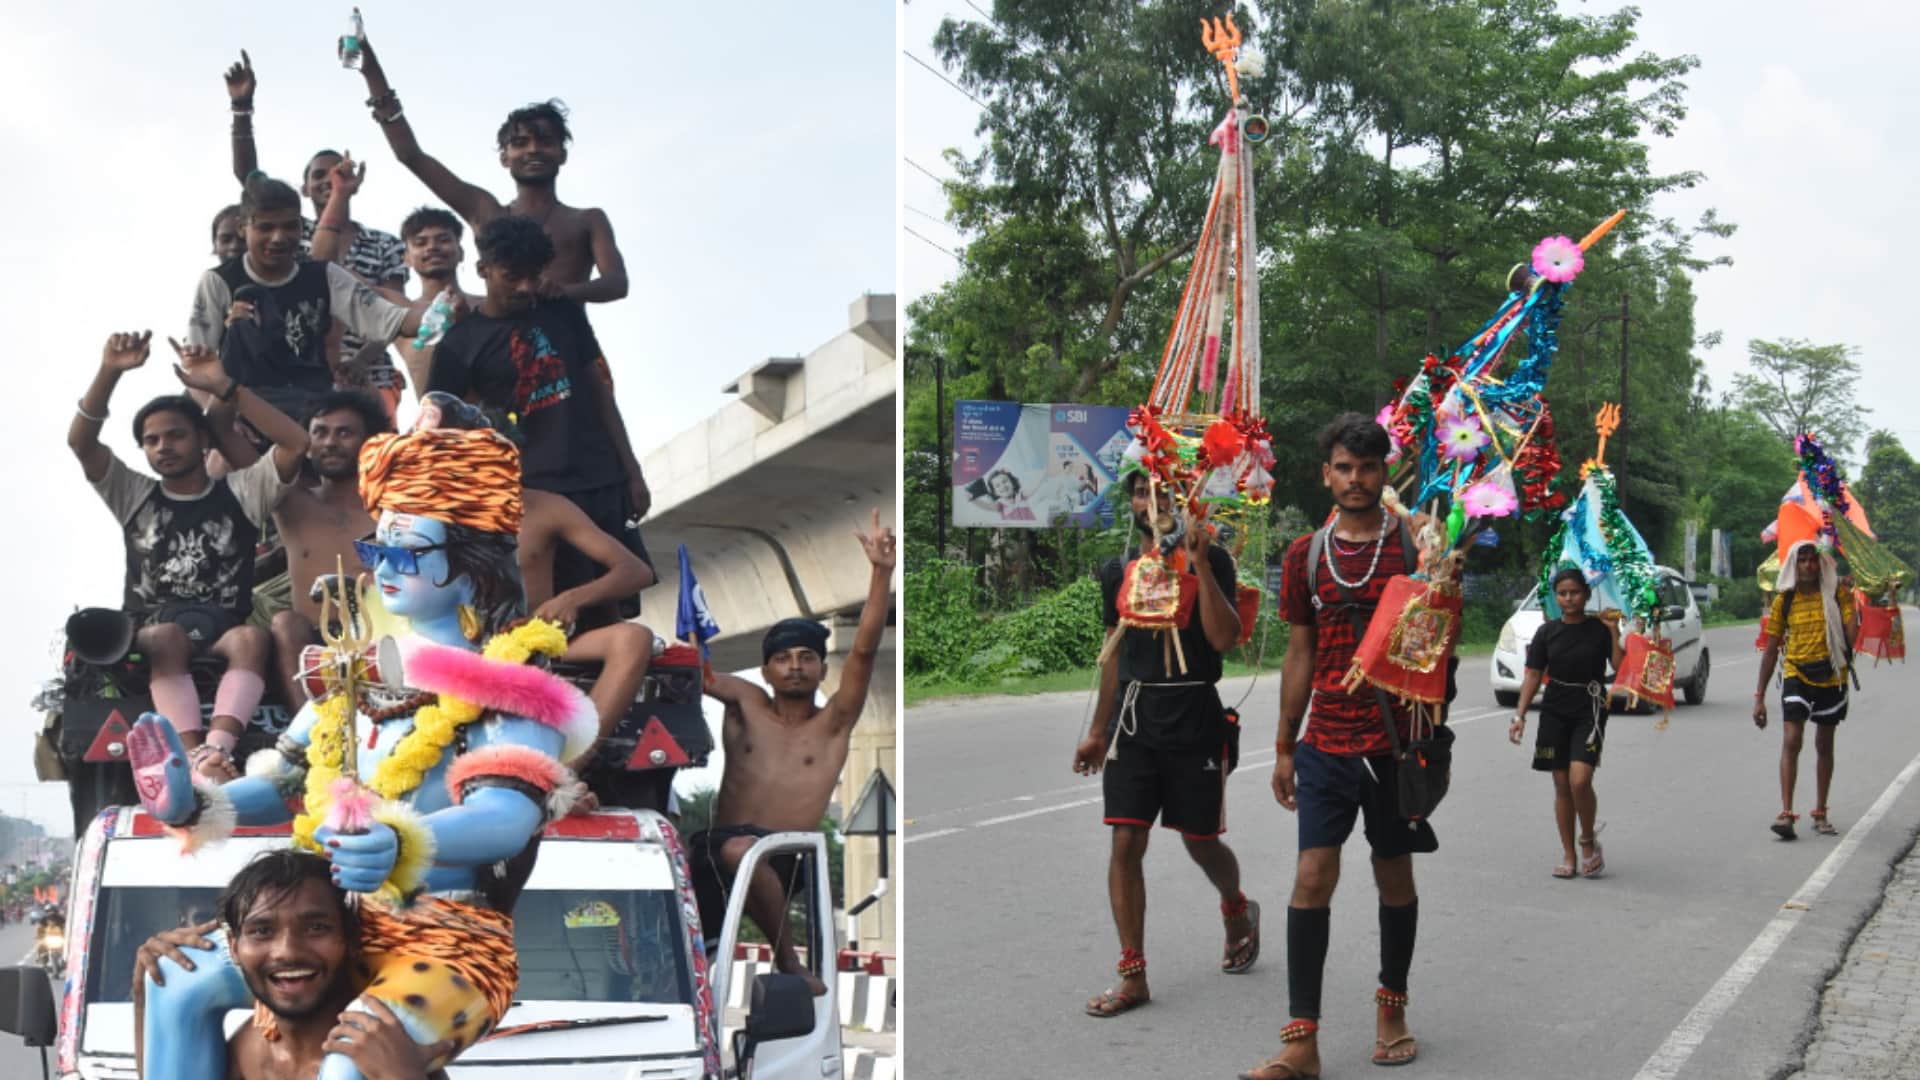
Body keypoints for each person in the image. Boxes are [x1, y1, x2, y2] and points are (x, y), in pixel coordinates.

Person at [126, 419, 598, 1080]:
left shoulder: (513, 689)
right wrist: (194, 803)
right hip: (324, 924)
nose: (387, 568)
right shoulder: (353, 677)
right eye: (382, 549)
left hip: (449, 938)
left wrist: (403, 841)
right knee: (174, 981)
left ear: (471, 570)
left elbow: (507, 817)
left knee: (353, 1061)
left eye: (412, 552)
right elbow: (286, 782)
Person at [1247, 414, 1429, 1078]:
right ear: (1326, 473)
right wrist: (1284, 745)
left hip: (1394, 746)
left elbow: (1436, 636)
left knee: (1394, 875)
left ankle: (1392, 1006)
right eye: (1345, 468)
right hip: (1325, 742)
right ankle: (1302, 1041)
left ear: (1387, 472)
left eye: (1369, 467)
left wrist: (1444, 578)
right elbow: (1299, 651)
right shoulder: (1304, 555)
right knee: (1310, 880)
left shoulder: (1415, 544)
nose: (1357, 480)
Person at [70, 331, 310, 761]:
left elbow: (296, 444)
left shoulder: (242, 492)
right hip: (154, 630)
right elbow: (81, 443)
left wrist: (226, 387)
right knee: (166, 637)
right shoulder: (133, 494)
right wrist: (108, 371)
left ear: (203, 441)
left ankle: (216, 752)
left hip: (223, 629)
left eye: (176, 435)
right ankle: (190, 756)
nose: (164, 447)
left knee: (251, 639)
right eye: (152, 440)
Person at [1070, 468, 1254, 1019]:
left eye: (1162, 491)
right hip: (1133, 720)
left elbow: (1224, 639)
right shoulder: (1119, 569)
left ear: (1186, 501)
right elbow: (1113, 654)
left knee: (1200, 840)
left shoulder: (1213, 559)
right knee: (1126, 842)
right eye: (1141, 491)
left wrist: (1198, 561)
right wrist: (1098, 730)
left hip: (1194, 714)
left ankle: (1236, 906)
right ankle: (1133, 973)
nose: (1149, 501)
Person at [693, 510, 895, 993]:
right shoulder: (744, 702)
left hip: (782, 852)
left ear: (824, 671)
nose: (796, 667)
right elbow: (695, 674)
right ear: (765, 671)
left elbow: (864, 652)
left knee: (745, 849)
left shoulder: (833, 724)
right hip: (720, 847)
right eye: (782, 659)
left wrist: (881, 573)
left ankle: (788, 961)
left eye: (807, 658)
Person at [425, 214, 653, 629]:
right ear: (483, 271)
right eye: (513, 276)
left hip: (597, 478)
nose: (526, 288)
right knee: (545, 618)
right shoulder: (459, 343)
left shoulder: (562, 312)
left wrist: (631, 470)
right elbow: (443, 426)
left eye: (534, 276)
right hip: (532, 495)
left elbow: (597, 388)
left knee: (606, 610)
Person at [415, 389, 655, 774]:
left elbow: (636, 571)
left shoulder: (547, 507)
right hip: (454, 648)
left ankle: (565, 771)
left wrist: (574, 598)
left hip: (534, 644)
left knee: (634, 638)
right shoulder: (425, 511)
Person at [348, 35, 628, 303]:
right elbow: (411, 155)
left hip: (568, 344)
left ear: (562, 154)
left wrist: (562, 292)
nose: (533, 150)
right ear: (505, 158)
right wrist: (371, 72)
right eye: (520, 143)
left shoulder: (587, 220)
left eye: (545, 141)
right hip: (502, 346)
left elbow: (617, 283)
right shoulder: (487, 212)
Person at [134, 850, 453, 1079]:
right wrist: (147, 993)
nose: (287, 951)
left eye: (316, 928)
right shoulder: (248, 1054)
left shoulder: (386, 1052)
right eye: (262, 931)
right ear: (233, 947)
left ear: (351, 940)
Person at [225, 50, 411, 411]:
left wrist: (359, 363)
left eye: (337, 172)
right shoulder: (289, 236)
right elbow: (250, 180)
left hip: (369, 374)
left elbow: (391, 309)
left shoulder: (384, 243)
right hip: (295, 372)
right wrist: (242, 111)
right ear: (303, 189)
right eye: (318, 176)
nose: (329, 180)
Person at [187, 174, 435, 428]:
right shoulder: (218, 282)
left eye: (289, 226)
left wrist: (441, 313)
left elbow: (392, 318)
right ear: (243, 227)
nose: (279, 238)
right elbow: (198, 368)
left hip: (313, 414)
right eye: (266, 228)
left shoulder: (324, 275)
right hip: (242, 413)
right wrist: (218, 426)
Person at [1509, 568, 1626, 878]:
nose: (1569, 598)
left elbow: (1619, 666)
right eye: (1563, 593)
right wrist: (1519, 715)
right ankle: (1568, 853)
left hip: (1590, 706)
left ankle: (1588, 840)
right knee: (1561, 784)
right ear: (1555, 597)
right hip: (1554, 709)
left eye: (1575, 592)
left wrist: (1614, 633)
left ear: (1586, 594)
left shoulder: (1600, 629)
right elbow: (1533, 675)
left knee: (1579, 779)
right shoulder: (1546, 633)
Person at [1755, 539, 1859, 839]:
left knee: (1824, 745)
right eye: (1802, 560)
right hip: (1796, 674)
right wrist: (1759, 697)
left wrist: (1850, 603)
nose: (1809, 565)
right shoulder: (1783, 601)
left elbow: (1851, 638)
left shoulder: (1837, 594)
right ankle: (1786, 814)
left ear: (1820, 564)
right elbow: (1771, 650)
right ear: (1793, 565)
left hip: (1831, 676)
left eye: (1814, 560)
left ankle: (1820, 812)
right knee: (1792, 739)